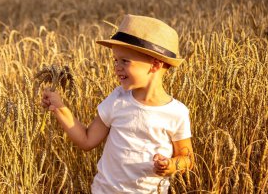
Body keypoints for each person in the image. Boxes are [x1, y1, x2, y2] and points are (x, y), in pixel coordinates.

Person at [41, 14, 194, 193]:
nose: (117, 67)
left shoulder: (177, 112)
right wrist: (59, 107)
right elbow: (86, 140)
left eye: (125, 61)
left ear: (155, 64)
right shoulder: (117, 99)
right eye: (115, 60)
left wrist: (171, 165)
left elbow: (187, 158)